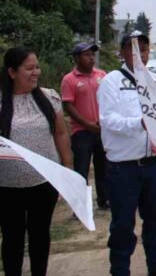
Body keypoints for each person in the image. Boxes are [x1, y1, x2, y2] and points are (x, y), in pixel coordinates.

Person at [97, 32, 156, 276]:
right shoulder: (111, 82)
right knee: (123, 225)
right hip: (123, 167)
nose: (140, 55)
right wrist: (140, 123)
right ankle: (120, 270)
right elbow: (108, 120)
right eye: (134, 49)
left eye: (144, 50)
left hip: (153, 165)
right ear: (123, 52)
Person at [0, 47, 72, 276]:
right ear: (12, 72)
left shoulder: (49, 97)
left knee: (40, 235)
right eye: (29, 68)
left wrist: (67, 168)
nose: (36, 73)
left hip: (44, 183)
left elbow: (60, 133)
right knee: (12, 238)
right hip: (7, 186)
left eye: (37, 67)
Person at [61, 42, 109, 209]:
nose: (91, 58)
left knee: (103, 167)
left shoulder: (102, 75)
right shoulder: (69, 79)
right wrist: (87, 124)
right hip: (81, 132)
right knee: (81, 170)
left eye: (92, 54)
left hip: (102, 130)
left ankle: (104, 199)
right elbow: (68, 105)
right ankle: (81, 206)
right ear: (76, 58)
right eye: (86, 55)